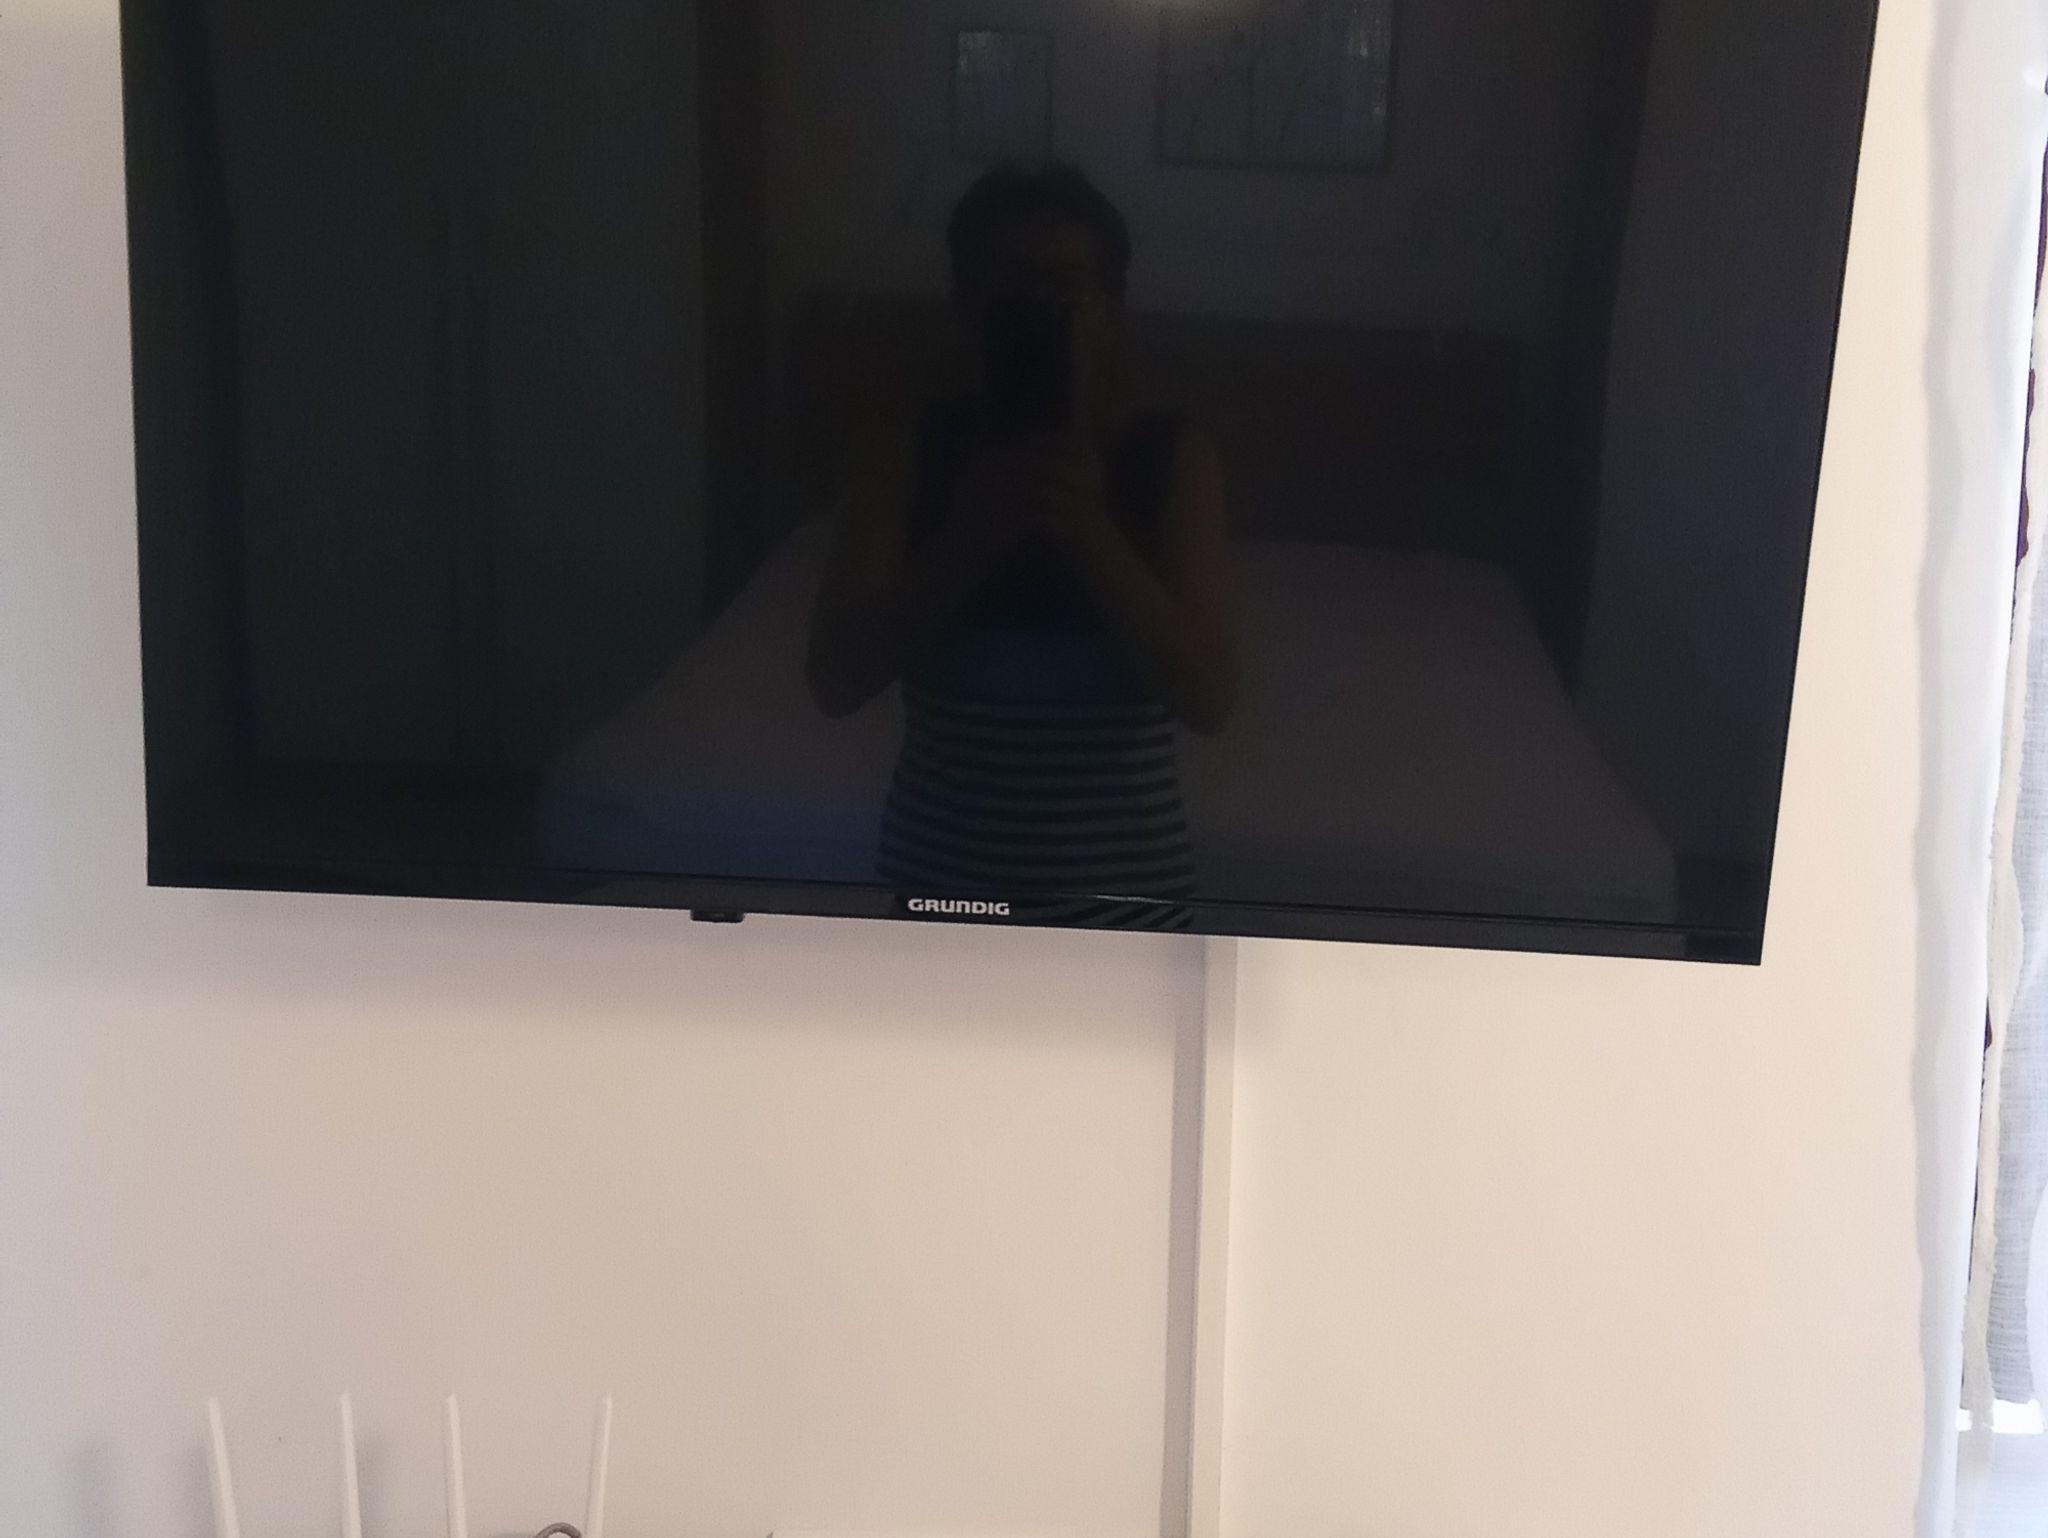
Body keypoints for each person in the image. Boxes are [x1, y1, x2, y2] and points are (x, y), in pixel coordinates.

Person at [805, 163, 1236, 926]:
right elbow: (835, 682)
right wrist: (966, 541)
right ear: (967, 306)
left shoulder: (1171, 461)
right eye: (1017, 287)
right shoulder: (903, 453)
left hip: (1129, 912)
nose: (1045, 308)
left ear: (1113, 309)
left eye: (1070, 288)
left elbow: (1208, 700)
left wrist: (1091, 534)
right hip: (941, 905)